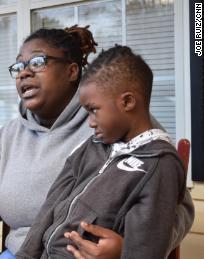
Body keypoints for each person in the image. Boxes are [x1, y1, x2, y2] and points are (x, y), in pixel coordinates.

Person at [0, 27, 195, 259]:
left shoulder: (117, 122)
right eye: (18, 67)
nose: (25, 72)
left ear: (71, 71)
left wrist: (126, 249)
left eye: (38, 62)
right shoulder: (7, 136)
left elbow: (175, 207)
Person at [15, 45, 192, 259]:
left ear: (127, 101)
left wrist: (120, 254)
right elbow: (51, 205)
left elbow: (147, 247)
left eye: (94, 110)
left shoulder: (158, 163)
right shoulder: (92, 146)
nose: (90, 122)